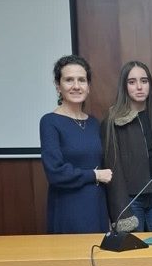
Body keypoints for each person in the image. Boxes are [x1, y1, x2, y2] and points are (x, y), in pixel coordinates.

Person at [102, 61, 152, 232]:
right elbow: (113, 171)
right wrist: (122, 212)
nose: (139, 87)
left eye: (144, 81)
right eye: (132, 82)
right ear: (124, 87)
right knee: (133, 247)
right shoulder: (113, 122)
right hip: (130, 201)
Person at [40, 55, 112, 233]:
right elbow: (55, 173)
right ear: (58, 86)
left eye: (82, 80)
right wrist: (94, 175)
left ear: (88, 87)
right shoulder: (50, 122)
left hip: (97, 207)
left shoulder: (94, 123)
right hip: (69, 209)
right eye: (69, 80)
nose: (76, 86)